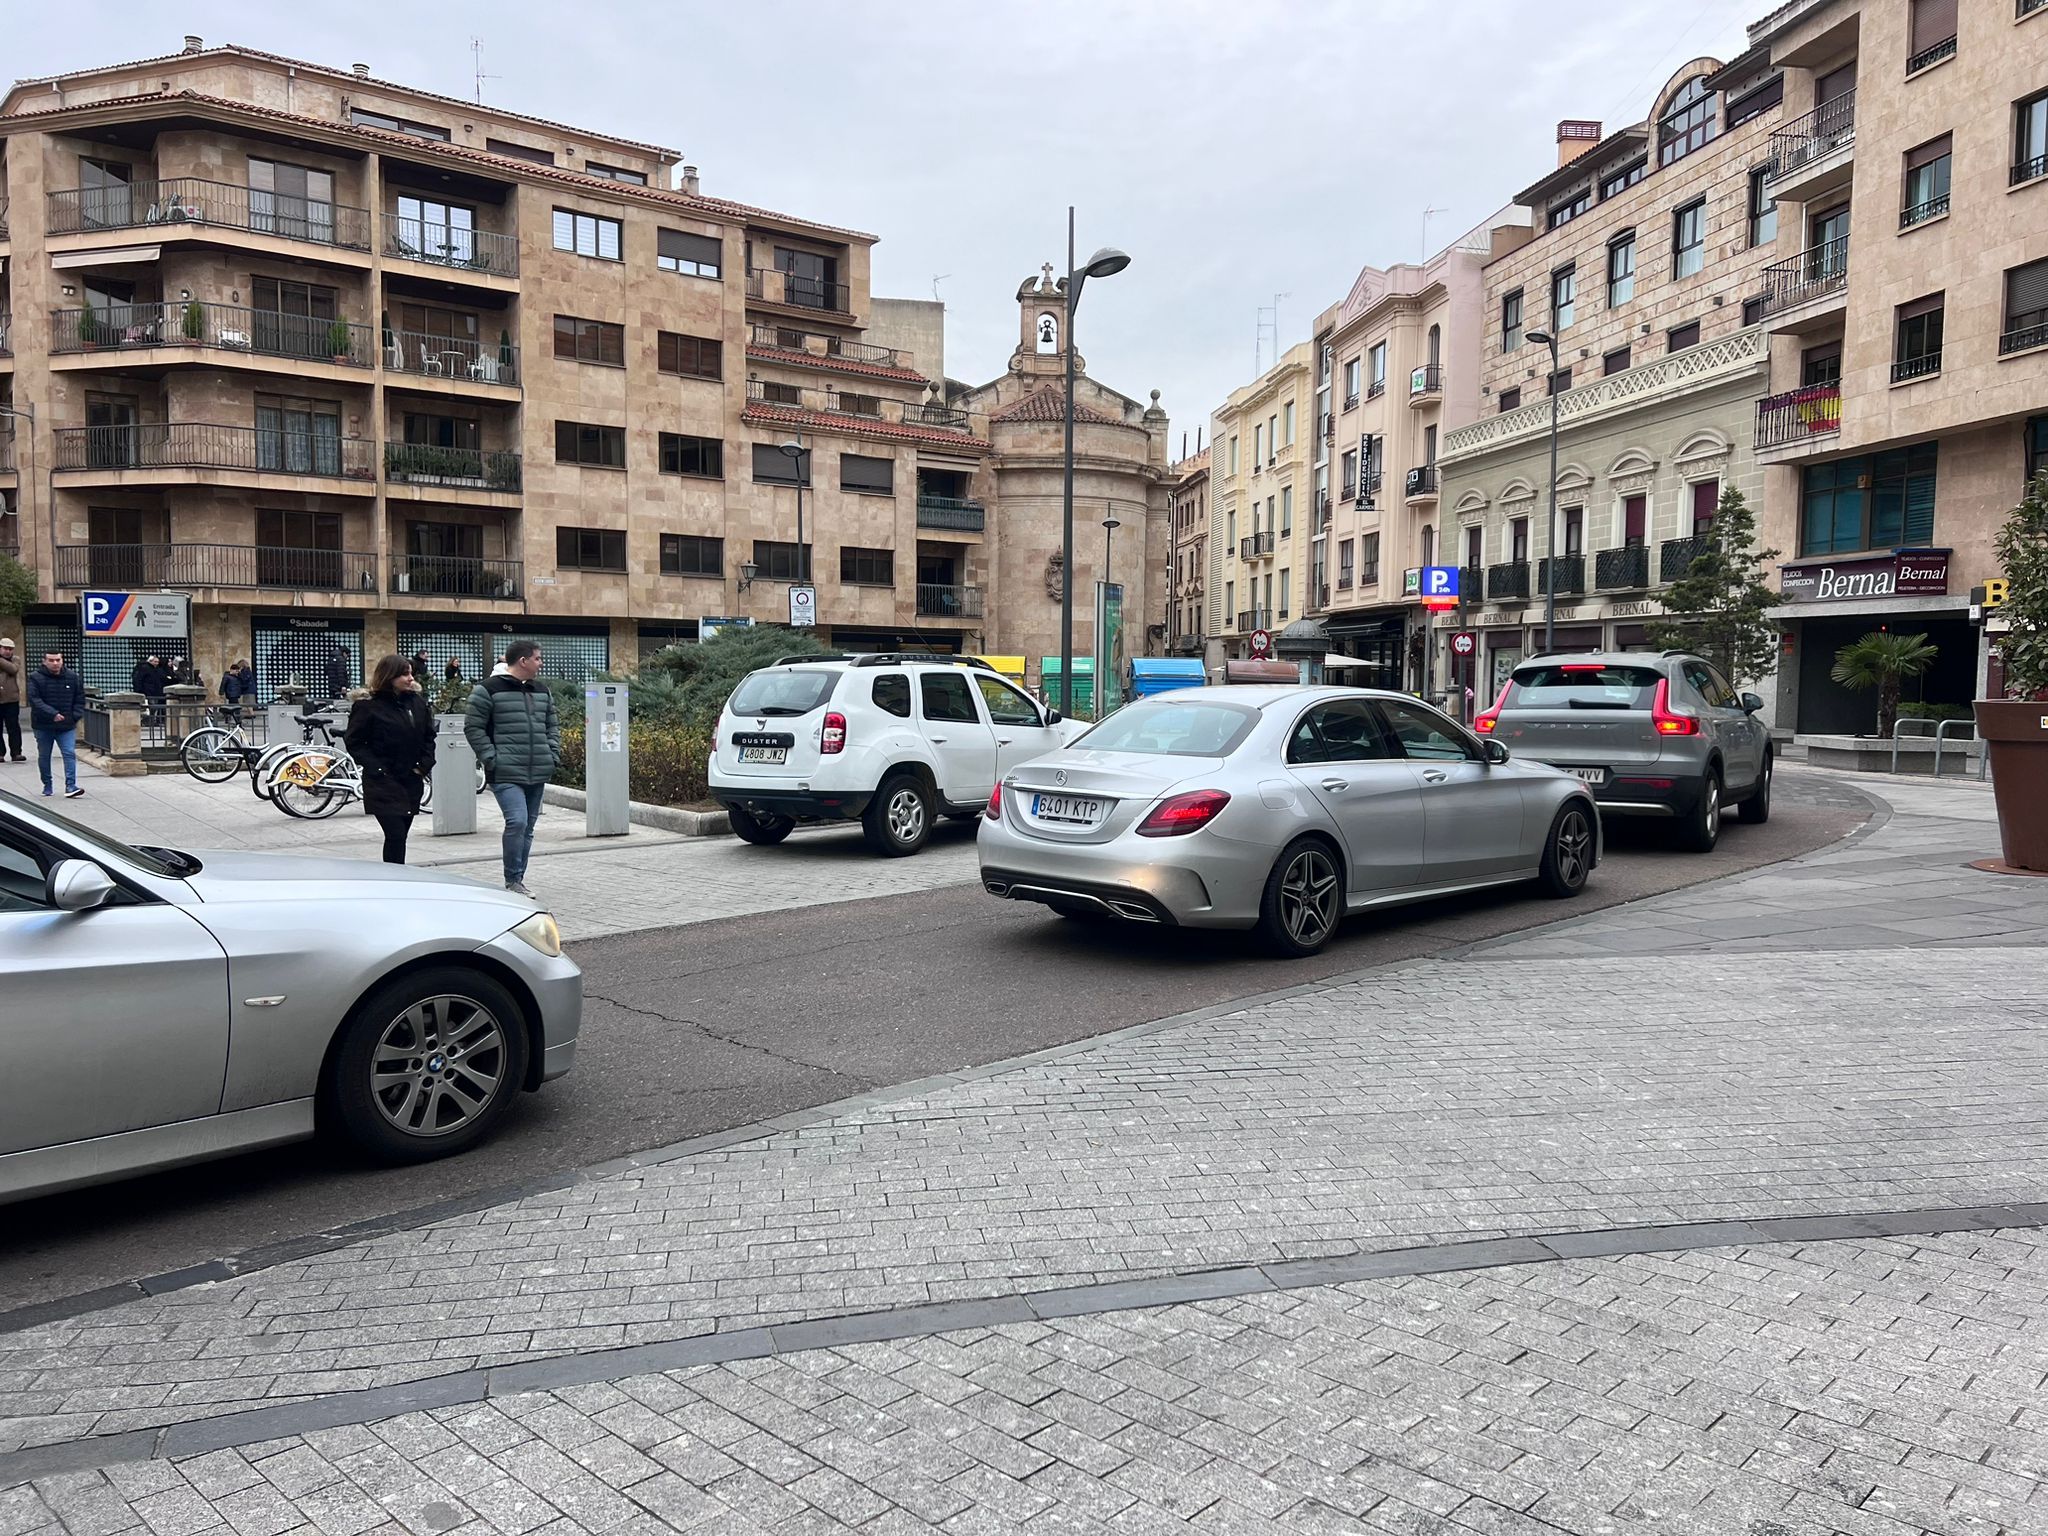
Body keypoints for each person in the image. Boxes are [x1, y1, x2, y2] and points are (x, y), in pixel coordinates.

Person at [464, 639, 559, 897]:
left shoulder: (541, 690)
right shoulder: (487, 690)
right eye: (538, 658)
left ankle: (518, 879)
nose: (541, 663)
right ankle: (512, 880)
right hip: (505, 771)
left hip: (537, 769)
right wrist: (492, 758)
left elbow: (552, 725)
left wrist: (552, 753)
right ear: (523, 661)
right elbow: (473, 728)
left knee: (528, 826)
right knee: (516, 822)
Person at [346, 654, 436, 865]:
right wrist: (378, 769)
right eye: (405, 674)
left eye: (411, 673)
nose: (410, 678)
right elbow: (355, 742)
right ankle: (395, 879)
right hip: (383, 782)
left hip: (411, 778)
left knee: (401, 835)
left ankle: (396, 875)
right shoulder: (368, 706)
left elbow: (428, 736)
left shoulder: (417, 703)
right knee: (395, 834)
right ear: (389, 675)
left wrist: (424, 765)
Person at [28, 649, 87, 798]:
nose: (55, 663)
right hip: (43, 724)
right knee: (44, 755)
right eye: (51, 660)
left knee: (68, 753)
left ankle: (71, 785)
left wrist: (75, 716)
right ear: (44, 661)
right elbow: (35, 700)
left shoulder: (72, 677)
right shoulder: (35, 677)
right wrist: (52, 714)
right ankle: (47, 784)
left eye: (58, 660)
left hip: (66, 724)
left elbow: (79, 698)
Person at [0, 638, 23, 763]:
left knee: (13, 726)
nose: (8, 651)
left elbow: (13, 669)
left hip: (11, 699)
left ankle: (16, 752)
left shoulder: (15, 659)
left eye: (10, 649)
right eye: (5, 649)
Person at [132, 653, 168, 726]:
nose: (157, 663)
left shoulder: (158, 669)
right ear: (150, 661)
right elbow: (139, 680)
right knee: (150, 707)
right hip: (149, 692)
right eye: (155, 662)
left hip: (156, 692)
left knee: (154, 708)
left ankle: (152, 721)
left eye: (157, 662)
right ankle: (148, 722)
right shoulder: (144, 669)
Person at [221, 658, 256, 724]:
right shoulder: (231, 676)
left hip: (238, 693)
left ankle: (246, 716)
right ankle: (237, 720)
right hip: (234, 694)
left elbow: (244, 680)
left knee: (239, 705)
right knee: (235, 707)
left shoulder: (244, 672)